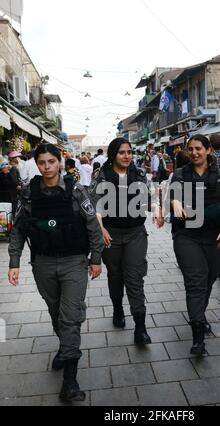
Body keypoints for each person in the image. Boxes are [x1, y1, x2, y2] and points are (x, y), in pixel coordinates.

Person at [8, 144, 103, 403]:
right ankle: (65, 347)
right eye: (42, 162)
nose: (47, 167)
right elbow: (18, 229)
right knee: (55, 312)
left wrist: (96, 258)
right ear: (37, 164)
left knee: (70, 317)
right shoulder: (29, 194)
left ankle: (70, 380)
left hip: (74, 262)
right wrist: (14, 261)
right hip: (44, 264)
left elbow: (92, 225)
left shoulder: (76, 190)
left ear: (60, 162)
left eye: (51, 161)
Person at [167, 135, 220, 356]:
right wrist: (176, 202)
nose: (194, 152)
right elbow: (174, 192)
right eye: (191, 149)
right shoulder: (180, 174)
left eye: (198, 148)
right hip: (186, 236)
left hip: (214, 238)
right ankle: (197, 335)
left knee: (208, 280)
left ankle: (200, 314)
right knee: (196, 282)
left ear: (208, 150)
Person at [89, 138, 164, 346]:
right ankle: (117, 308)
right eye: (122, 152)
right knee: (115, 275)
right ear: (114, 154)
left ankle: (140, 327)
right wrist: (101, 228)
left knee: (134, 277)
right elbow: (94, 205)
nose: (127, 156)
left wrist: (156, 209)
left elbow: (148, 199)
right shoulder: (101, 176)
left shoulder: (139, 174)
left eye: (129, 152)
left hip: (135, 234)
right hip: (110, 234)